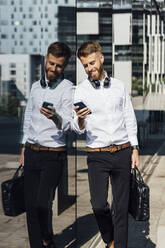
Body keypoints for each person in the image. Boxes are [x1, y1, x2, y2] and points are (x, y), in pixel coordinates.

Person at [73, 41, 139, 248]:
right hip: (97, 154)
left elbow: (129, 117)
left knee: (121, 207)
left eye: (92, 63)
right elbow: (76, 127)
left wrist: (135, 148)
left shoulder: (119, 86)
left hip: (122, 152)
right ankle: (110, 239)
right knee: (99, 205)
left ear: (101, 58)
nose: (90, 68)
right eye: (85, 65)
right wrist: (81, 119)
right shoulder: (81, 90)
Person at [19, 42, 73, 248]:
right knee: (31, 208)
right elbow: (28, 119)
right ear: (45, 59)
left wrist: (56, 117)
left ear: (64, 66)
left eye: (59, 66)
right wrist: (24, 146)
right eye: (51, 63)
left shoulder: (67, 88)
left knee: (43, 203)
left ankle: (47, 239)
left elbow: (70, 124)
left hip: (54, 155)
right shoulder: (34, 87)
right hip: (32, 152)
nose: (53, 69)